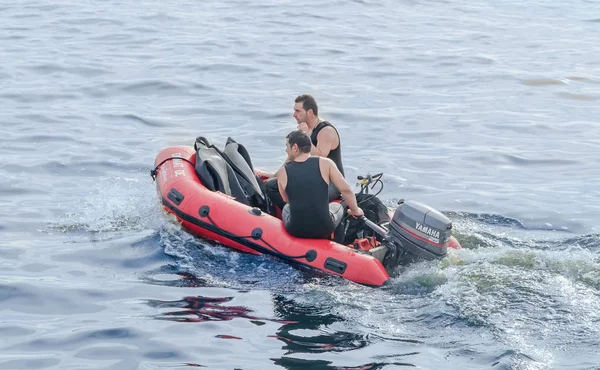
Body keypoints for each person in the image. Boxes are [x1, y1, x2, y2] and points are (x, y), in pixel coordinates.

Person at [261, 94, 345, 210]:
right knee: (271, 185)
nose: (294, 115)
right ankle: (290, 212)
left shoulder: (326, 131)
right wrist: (274, 175)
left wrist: (305, 135)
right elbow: (292, 156)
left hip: (331, 182)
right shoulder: (303, 130)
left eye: (297, 111)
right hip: (310, 178)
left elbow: (320, 157)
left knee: (310, 196)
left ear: (309, 112)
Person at [276, 130, 363, 239]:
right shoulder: (326, 163)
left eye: (287, 146)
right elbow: (346, 190)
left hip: (295, 229)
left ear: (295, 147)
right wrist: (355, 211)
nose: (286, 150)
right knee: (337, 206)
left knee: (287, 208)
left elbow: (286, 199)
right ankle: (338, 242)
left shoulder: (282, 172)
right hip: (324, 228)